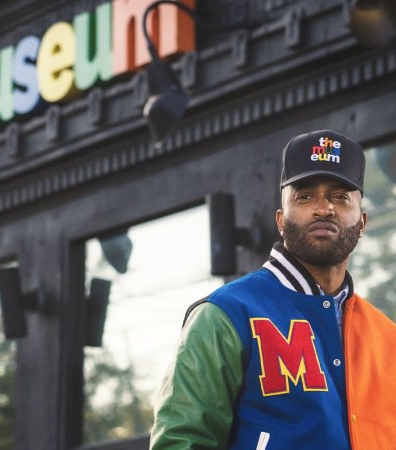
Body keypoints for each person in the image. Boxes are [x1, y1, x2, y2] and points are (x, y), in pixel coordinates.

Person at [149, 130, 396, 450]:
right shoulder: (226, 314)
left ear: (361, 223)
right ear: (281, 220)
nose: (324, 209)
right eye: (305, 196)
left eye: (340, 196)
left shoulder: (387, 337)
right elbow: (181, 442)